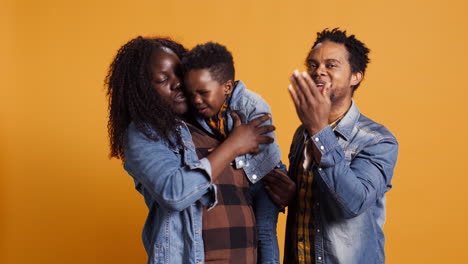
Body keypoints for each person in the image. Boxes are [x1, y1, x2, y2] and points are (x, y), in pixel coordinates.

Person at [105, 36, 275, 264]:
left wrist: (275, 188)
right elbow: (174, 193)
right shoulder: (145, 134)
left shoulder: (215, 123)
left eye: (179, 73)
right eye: (162, 79)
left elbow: (240, 193)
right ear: (143, 91)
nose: (177, 83)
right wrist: (233, 145)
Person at [284, 28, 399, 264]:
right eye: (313, 65)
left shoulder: (378, 140)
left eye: (331, 65)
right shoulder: (302, 133)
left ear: (356, 76)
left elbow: (353, 203)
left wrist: (319, 131)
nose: (319, 72)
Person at [182, 42, 295, 264]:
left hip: (266, 177)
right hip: (242, 180)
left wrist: (231, 150)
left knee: (263, 232)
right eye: (191, 93)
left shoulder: (251, 105)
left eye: (203, 92)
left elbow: (261, 143)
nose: (196, 100)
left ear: (227, 87)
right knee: (248, 233)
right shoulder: (201, 112)